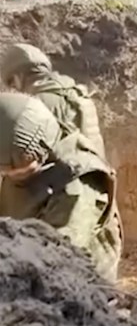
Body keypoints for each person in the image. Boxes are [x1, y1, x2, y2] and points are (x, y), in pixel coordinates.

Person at [0, 92, 123, 282]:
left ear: (40, 152)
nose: (8, 174)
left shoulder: (77, 186)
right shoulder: (21, 152)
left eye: (13, 170)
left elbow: (59, 257)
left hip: (80, 285)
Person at [1, 43, 107, 158]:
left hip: (71, 172)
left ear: (20, 75)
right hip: (98, 171)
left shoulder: (36, 105)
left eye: (11, 81)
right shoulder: (76, 92)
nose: (13, 88)